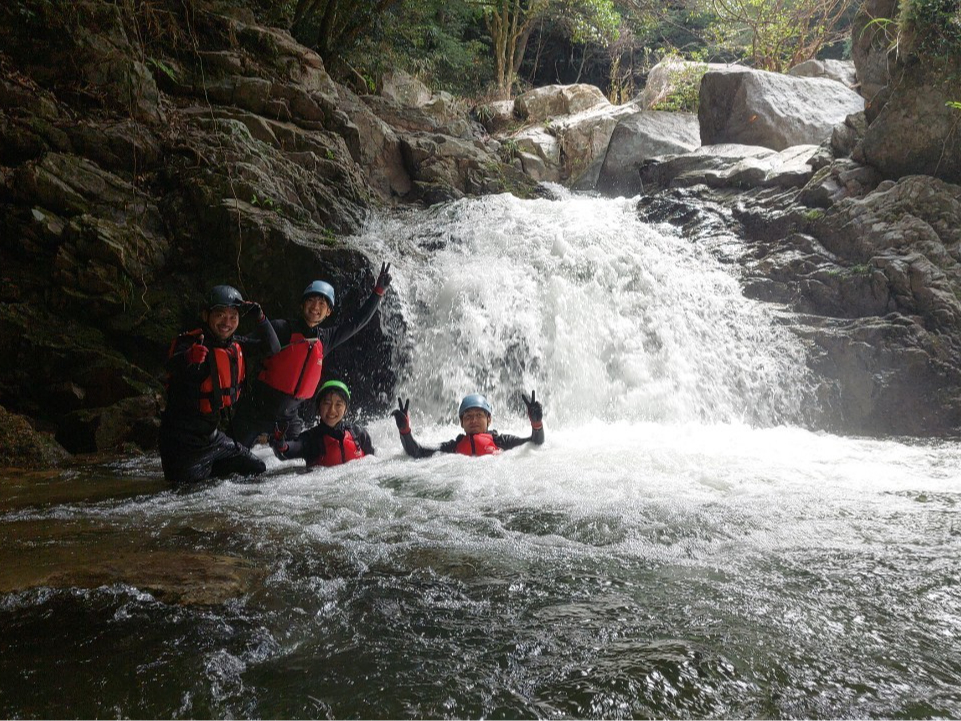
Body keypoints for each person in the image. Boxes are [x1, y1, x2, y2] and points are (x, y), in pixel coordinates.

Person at [230, 263, 392, 447]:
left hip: (289, 420)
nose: (316, 307)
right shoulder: (281, 328)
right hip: (254, 413)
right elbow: (240, 345)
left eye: (322, 303)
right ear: (302, 304)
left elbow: (357, 322)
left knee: (293, 465)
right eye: (311, 300)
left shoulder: (325, 339)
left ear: (328, 311)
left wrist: (378, 292)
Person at [159, 285, 281, 484]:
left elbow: (273, 347)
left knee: (256, 468)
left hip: (213, 440)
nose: (227, 322)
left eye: (233, 316)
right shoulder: (190, 343)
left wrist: (260, 317)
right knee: (189, 498)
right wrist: (189, 357)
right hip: (182, 447)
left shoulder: (235, 345)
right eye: (220, 315)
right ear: (206, 315)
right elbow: (170, 364)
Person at [391, 391, 544, 458]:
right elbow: (416, 452)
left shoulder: (501, 441)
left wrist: (536, 423)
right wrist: (405, 431)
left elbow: (534, 443)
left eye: (479, 415)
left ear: (489, 419)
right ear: (461, 422)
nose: (474, 420)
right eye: (468, 416)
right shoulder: (453, 446)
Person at [270, 379, 374, 467]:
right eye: (327, 403)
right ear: (319, 408)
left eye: (338, 404)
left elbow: (373, 463)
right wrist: (280, 444)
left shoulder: (359, 433)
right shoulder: (311, 440)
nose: (332, 410)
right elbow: (291, 449)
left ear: (345, 409)